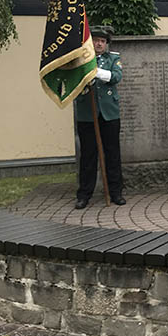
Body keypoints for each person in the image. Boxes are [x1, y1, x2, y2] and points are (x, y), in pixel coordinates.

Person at [74, 26, 125, 209]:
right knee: (88, 156)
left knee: (112, 154)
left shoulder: (113, 58)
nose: (99, 44)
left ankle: (116, 192)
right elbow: (74, 81)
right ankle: (84, 194)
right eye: (95, 40)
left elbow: (116, 76)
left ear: (106, 44)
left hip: (109, 113)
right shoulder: (81, 60)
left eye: (102, 41)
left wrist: (96, 72)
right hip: (87, 114)